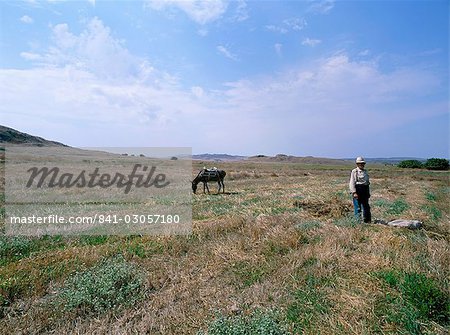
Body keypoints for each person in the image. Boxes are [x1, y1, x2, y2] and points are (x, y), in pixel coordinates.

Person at [349, 156, 371, 223]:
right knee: (358, 207)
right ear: (357, 164)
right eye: (359, 163)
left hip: (365, 190)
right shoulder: (354, 171)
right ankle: (358, 222)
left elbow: (367, 182)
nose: (361, 165)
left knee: (366, 207)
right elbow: (352, 182)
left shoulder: (365, 171)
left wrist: (368, 193)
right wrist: (354, 192)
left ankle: (367, 221)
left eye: (362, 163)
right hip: (357, 190)